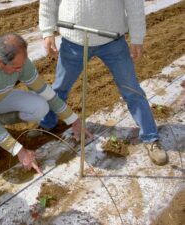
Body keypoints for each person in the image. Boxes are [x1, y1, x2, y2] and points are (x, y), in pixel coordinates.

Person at [39, 0, 168, 165]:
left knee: (132, 90)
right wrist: (47, 31)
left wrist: (137, 37)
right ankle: (47, 123)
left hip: (112, 40)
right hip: (74, 40)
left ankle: (151, 138)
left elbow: (134, 4)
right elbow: (48, 1)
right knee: (60, 88)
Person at [0, 33, 92, 175]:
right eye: (16, 68)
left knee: (40, 107)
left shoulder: (19, 61)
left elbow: (45, 91)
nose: (20, 70)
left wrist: (74, 120)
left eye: (22, 65)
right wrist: (19, 151)